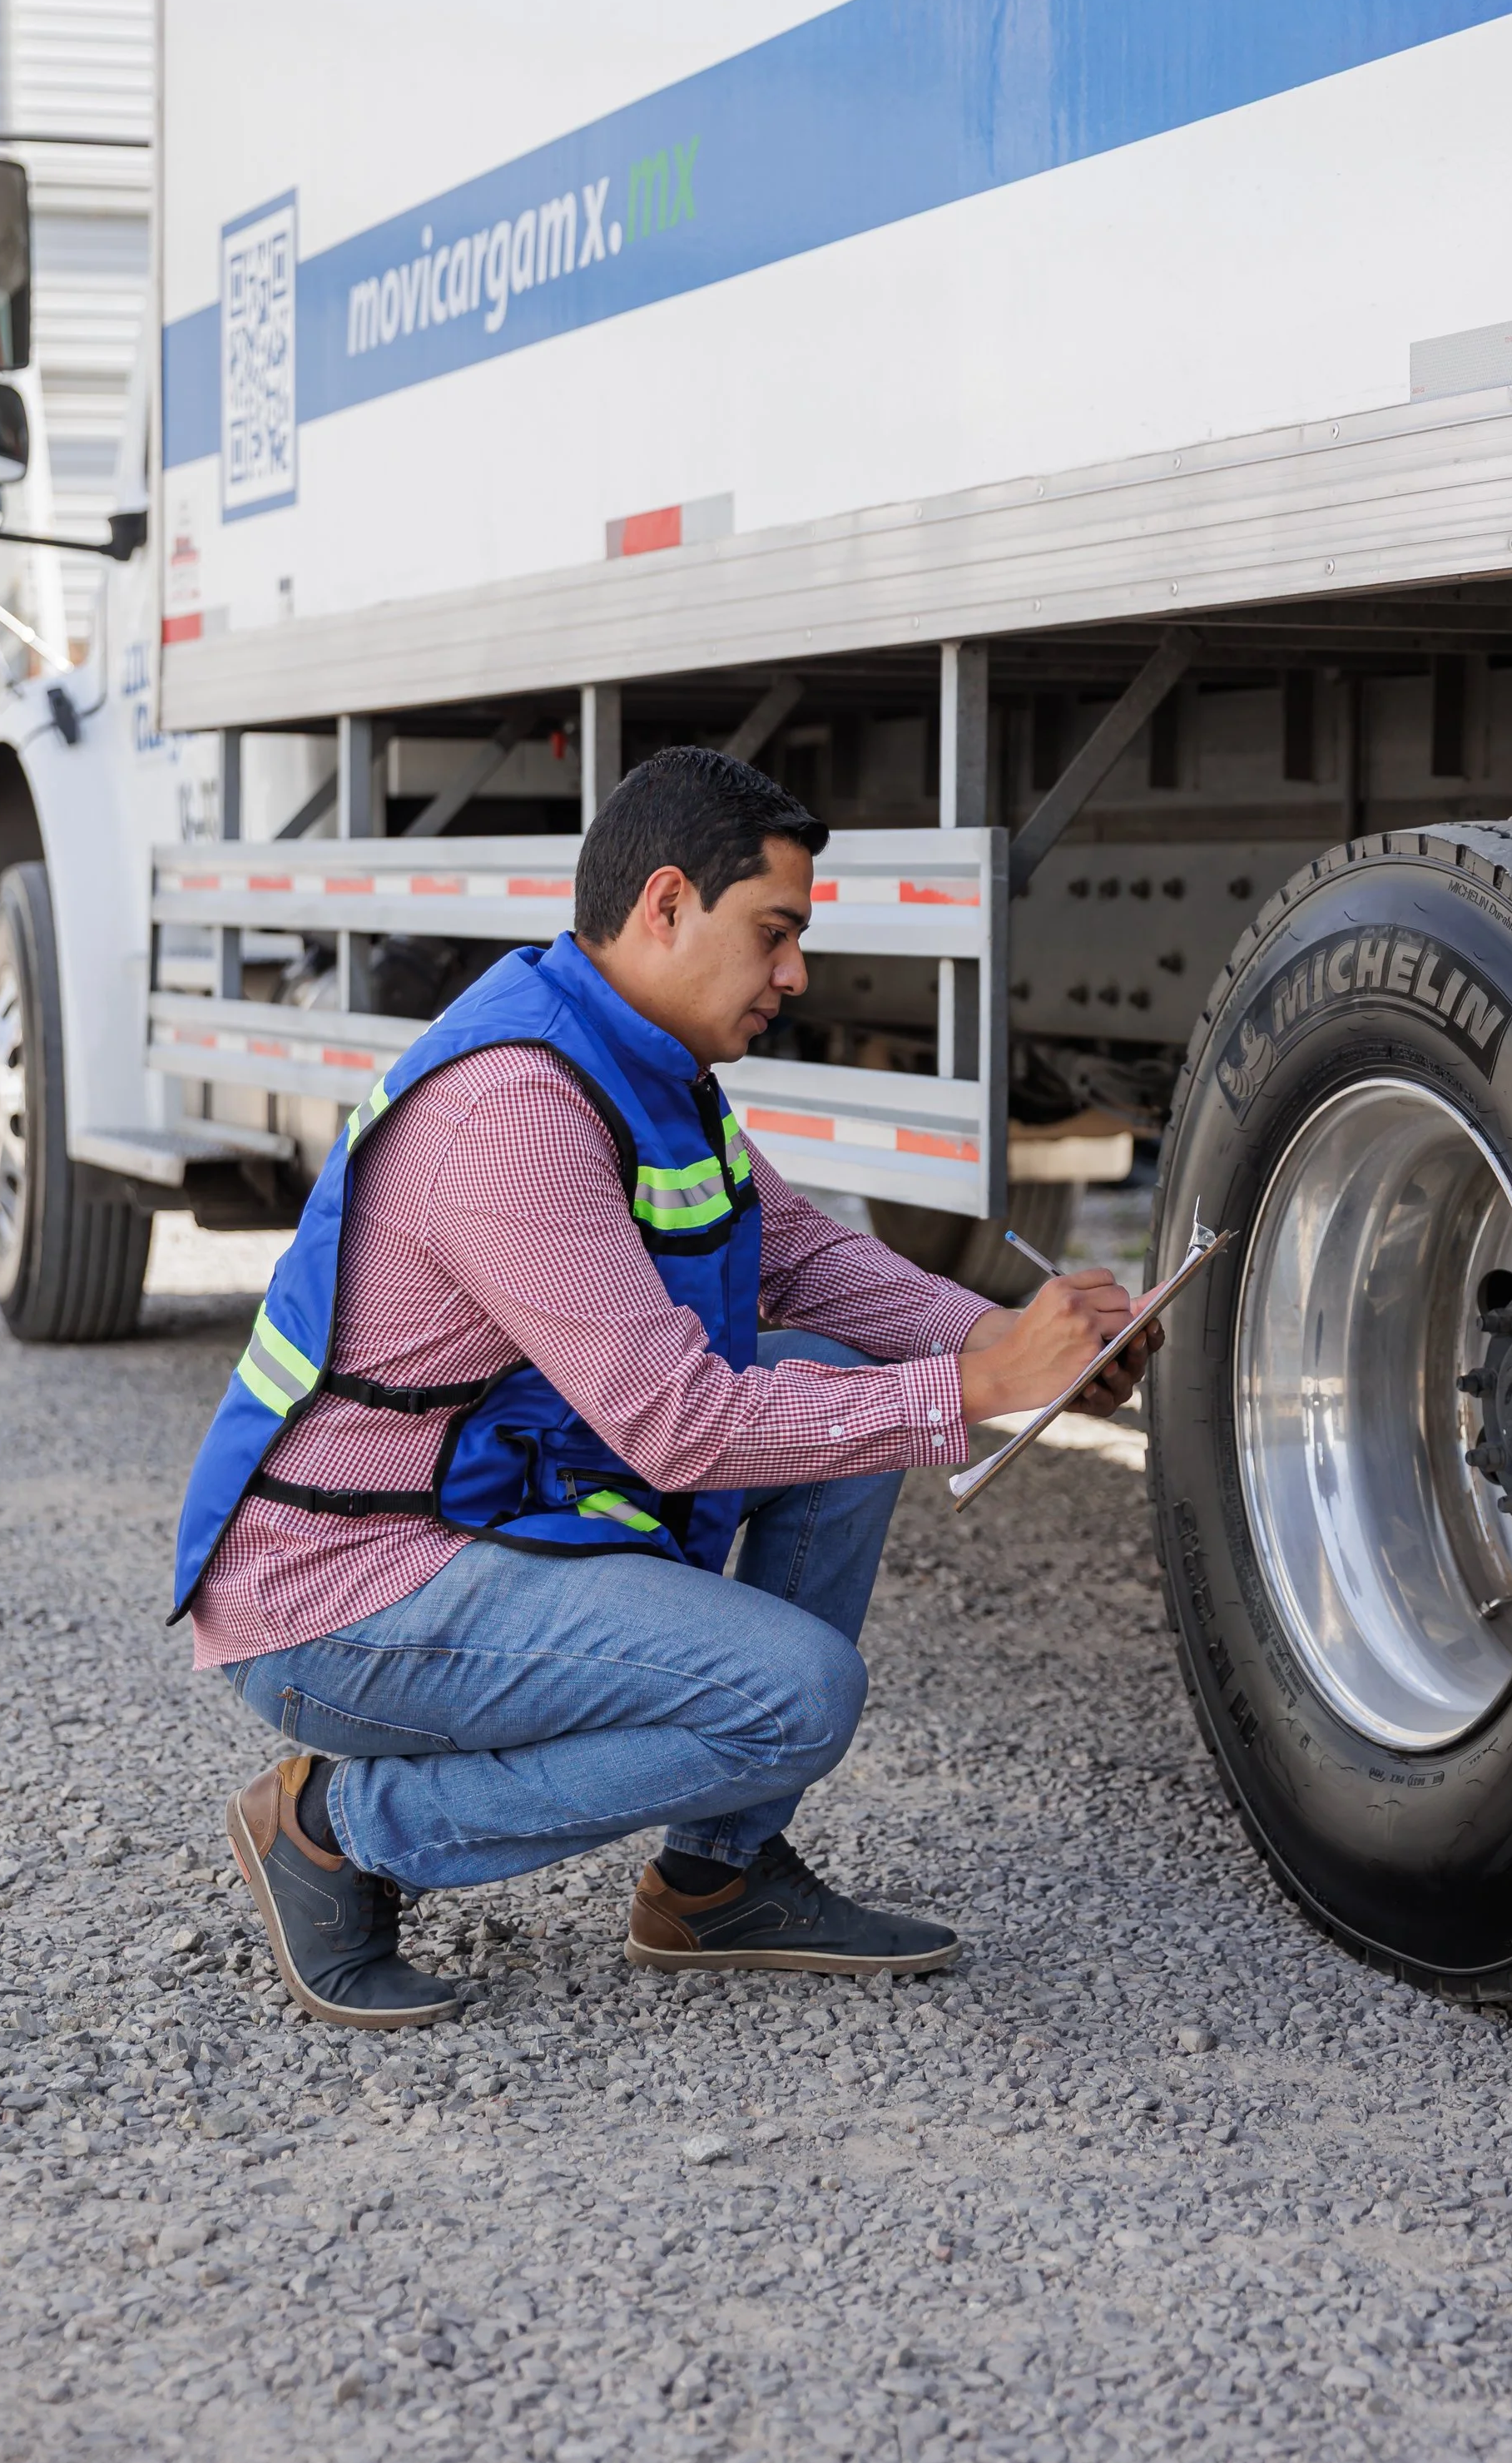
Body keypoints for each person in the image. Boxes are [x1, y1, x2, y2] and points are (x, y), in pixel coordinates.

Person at [176, 746, 1158, 2029]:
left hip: (462, 1520)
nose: (796, 975)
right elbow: (678, 1425)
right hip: (341, 1596)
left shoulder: (643, 1063)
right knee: (796, 1694)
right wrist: (969, 1385)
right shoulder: (518, 1107)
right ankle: (335, 1827)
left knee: (840, 1383)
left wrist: (1020, 1348)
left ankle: (718, 1879)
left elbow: (800, 1259)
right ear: (667, 905)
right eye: (775, 932)